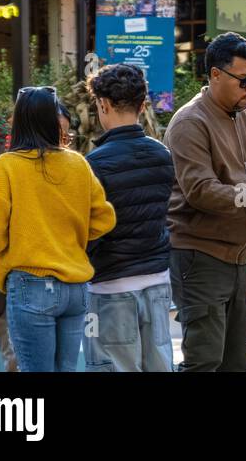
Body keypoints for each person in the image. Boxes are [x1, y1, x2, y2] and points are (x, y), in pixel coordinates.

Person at [164, 32, 246, 372]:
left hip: (241, 258)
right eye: (245, 81)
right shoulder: (191, 122)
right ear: (215, 75)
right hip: (200, 256)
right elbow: (202, 191)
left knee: (235, 363)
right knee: (204, 361)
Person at [0, 86, 116, 371]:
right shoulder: (77, 163)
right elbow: (104, 219)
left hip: (30, 284)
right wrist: (67, 235)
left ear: (20, 122)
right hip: (76, 287)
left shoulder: (7, 166)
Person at [83, 63, 176, 372]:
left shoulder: (94, 163)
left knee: (113, 366)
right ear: (142, 104)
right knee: (159, 364)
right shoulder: (161, 154)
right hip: (157, 278)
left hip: (109, 284)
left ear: (103, 104)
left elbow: (90, 230)